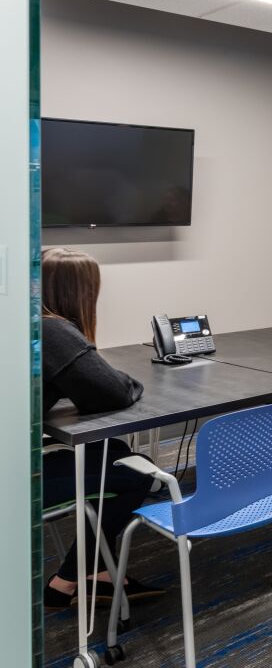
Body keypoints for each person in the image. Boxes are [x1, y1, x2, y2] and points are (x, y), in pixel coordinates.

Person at [40, 247, 165, 609]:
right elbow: (113, 392)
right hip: (18, 481)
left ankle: (96, 574)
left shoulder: (28, 322)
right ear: (79, 292)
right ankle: (68, 579)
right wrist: (128, 382)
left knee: (112, 451)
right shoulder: (52, 330)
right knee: (137, 472)